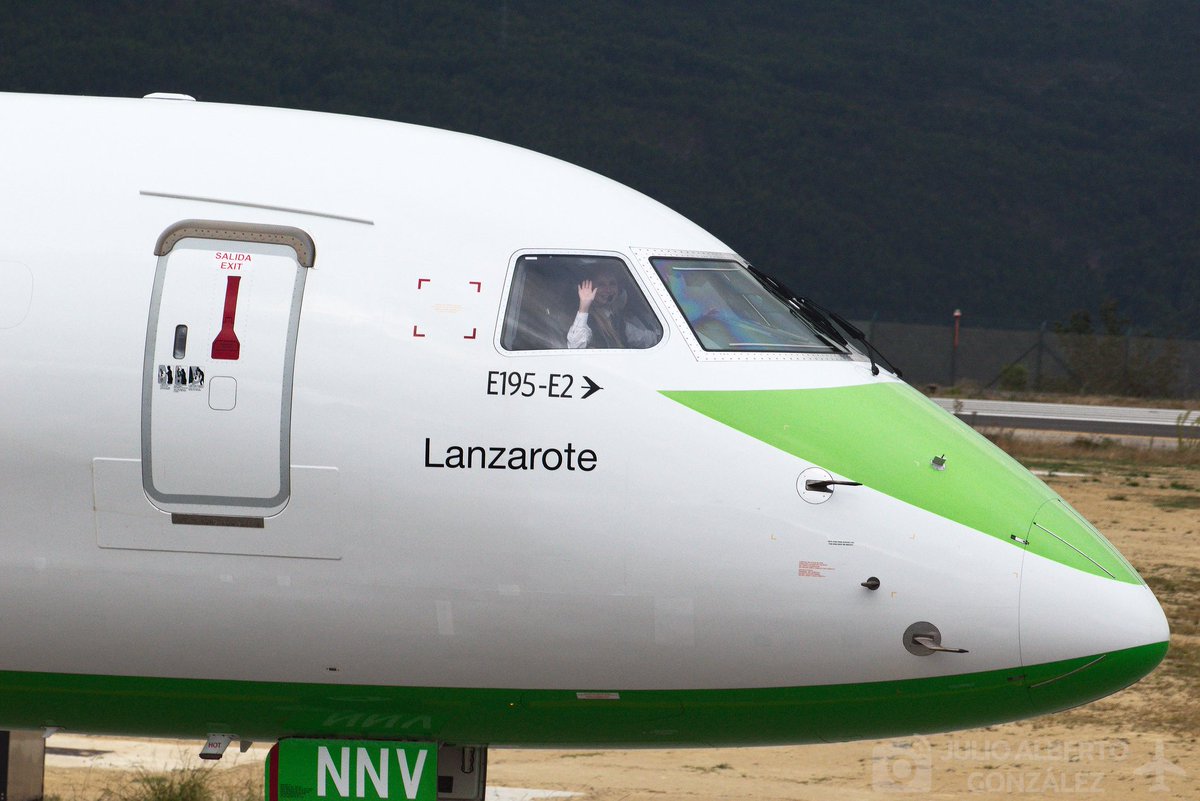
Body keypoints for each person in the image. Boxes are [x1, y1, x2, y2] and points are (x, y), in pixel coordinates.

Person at [566, 265, 659, 349]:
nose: (608, 290)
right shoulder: (586, 320)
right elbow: (575, 346)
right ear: (590, 289)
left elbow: (639, 337)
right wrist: (584, 306)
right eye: (601, 285)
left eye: (612, 284)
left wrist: (658, 337)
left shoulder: (614, 318)